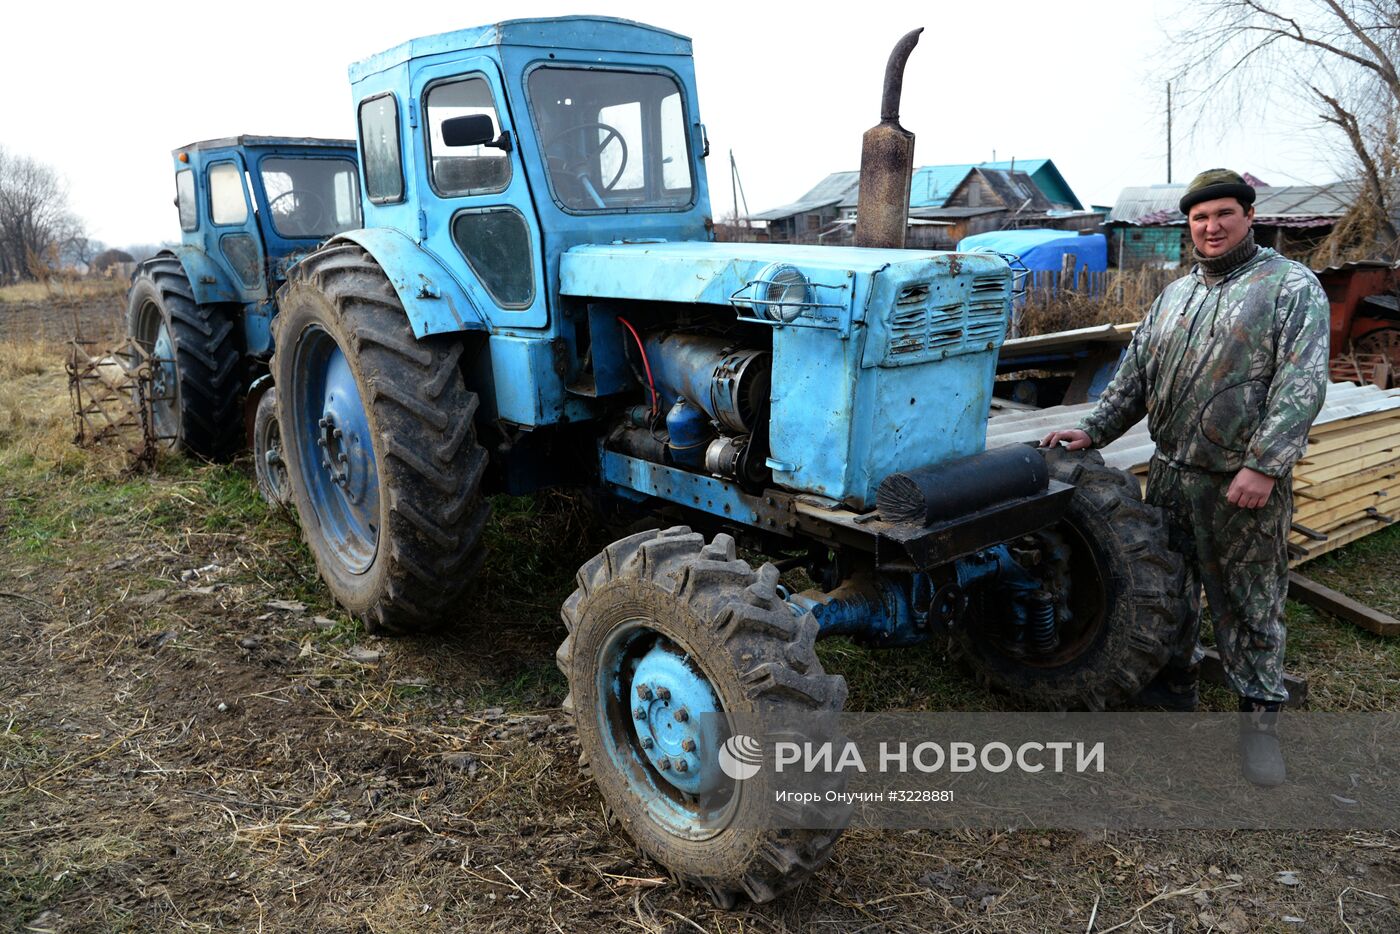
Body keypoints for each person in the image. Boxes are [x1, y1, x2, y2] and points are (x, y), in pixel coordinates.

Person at [1041, 168, 1329, 786]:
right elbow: (1135, 376)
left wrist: (1263, 465)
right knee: (1168, 592)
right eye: (1200, 218)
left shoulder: (1289, 287)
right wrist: (1093, 429)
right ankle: (1171, 695)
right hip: (1171, 476)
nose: (1212, 226)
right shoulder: (1176, 296)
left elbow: (1301, 386)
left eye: (1224, 213)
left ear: (1249, 217)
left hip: (1241, 485)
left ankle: (1260, 727)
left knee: (1251, 603)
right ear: (1188, 227)